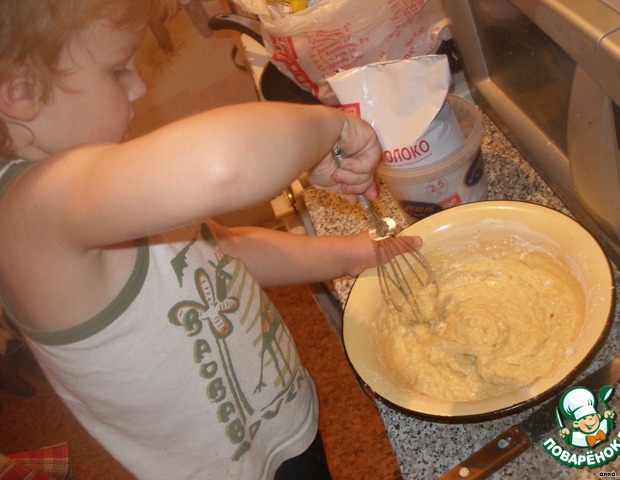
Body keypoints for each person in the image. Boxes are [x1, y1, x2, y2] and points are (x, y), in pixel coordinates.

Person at [0, 1, 420, 479]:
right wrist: (332, 126)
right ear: (22, 90)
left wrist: (352, 254)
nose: (139, 86)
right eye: (117, 70)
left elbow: (222, 250)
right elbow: (222, 165)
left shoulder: (97, 189)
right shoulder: (30, 213)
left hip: (277, 420)